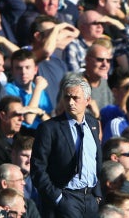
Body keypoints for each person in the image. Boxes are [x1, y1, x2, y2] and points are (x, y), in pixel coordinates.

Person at [31, 74, 102, 217]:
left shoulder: (93, 124)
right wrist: (57, 198)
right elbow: (38, 168)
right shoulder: (49, 128)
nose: (70, 102)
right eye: (67, 97)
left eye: (75, 98)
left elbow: (95, 160)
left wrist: (97, 195)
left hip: (90, 199)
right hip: (65, 196)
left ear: (87, 100)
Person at [5, 49, 52, 129]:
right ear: (12, 71)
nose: (23, 72)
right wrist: (37, 90)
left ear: (35, 70)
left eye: (27, 67)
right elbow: (29, 119)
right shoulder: (7, 90)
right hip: (21, 137)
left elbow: (50, 122)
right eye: (18, 68)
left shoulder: (41, 91)